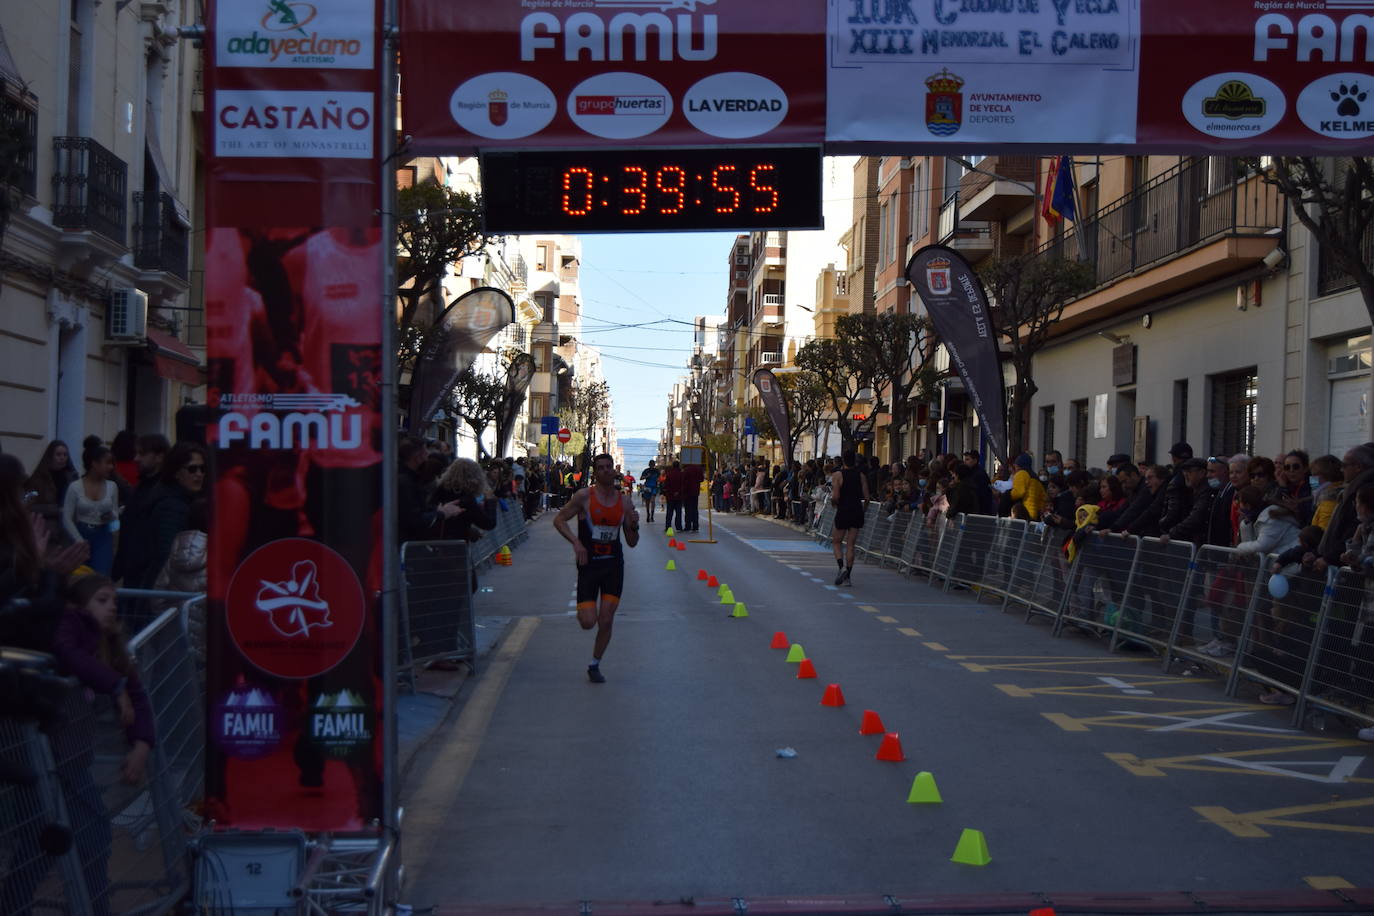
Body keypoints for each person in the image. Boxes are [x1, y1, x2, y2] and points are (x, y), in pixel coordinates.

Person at [553, 453, 640, 683]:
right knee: (588, 622)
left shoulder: (624, 502)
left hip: (613, 565)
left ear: (614, 470)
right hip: (589, 565)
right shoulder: (583, 497)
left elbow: (632, 542)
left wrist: (633, 525)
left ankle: (595, 664)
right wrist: (576, 542)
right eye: (600, 468)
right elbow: (559, 520)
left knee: (607, 619)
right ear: (595, 472)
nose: (605, 471)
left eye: (608, 467)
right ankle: (585, 613)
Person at [61, 442, 121, 576]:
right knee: (79, 576)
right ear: (94, 463)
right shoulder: (75, 487)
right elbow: (66, 517)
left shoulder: (112, 486)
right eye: (107, 463)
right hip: (80, 532)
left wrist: (112, 521)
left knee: (101, 575)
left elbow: (116, 519)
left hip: (103, 535)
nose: (110, 467)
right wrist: (79, 540)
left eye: (112, 463)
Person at [830, 450, 870, 586]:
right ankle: (848, 576)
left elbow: (835, 496)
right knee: (851, 545)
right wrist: (863, 510)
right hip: (856, 510)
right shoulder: (861, 476)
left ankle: (841, 567)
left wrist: (834, 505)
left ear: (843, 460)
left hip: (843, 510)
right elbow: (867, 498)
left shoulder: (837, 475)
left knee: (836, 542)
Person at [24, 440, 78, 537]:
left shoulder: (72, 478)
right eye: (58, 454)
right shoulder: (38, 479)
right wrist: (57, 510)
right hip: (46, 531)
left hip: (69, 531)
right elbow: (28, 505)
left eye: (65, 455)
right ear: (50, 456)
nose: (62, 458)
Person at [661, 459, 684, 532]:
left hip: (670, 496)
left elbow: (667, 485)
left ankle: (668, 526)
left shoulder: (669, 474)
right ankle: (679, 527)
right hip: (679, 496)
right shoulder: (681, 474)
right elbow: (683, 485)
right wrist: (678, 492)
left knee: (669, 512)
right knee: (678, 512)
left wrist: (667, 493)